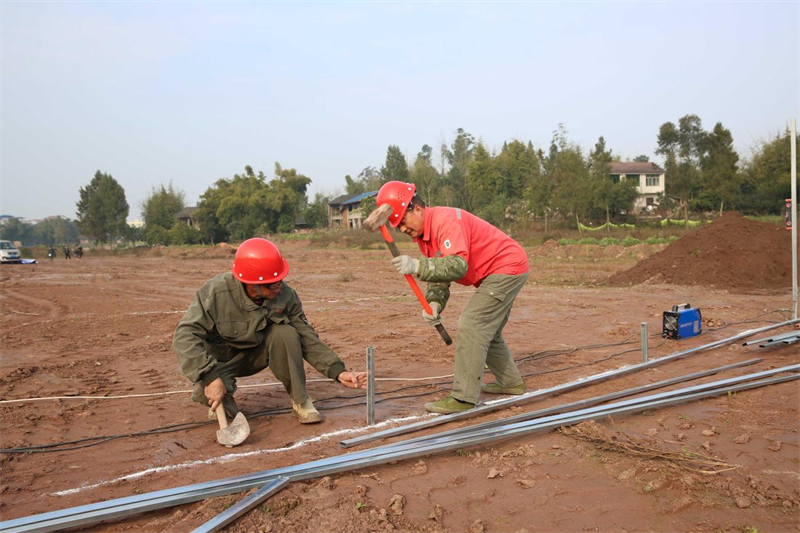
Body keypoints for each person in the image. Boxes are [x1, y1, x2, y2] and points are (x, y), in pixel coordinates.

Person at [172, 238, 366, 424]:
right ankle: (223, 400)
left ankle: (300, 401)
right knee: (205, 394)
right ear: (252, 283)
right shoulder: (215, 293)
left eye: (280, 280)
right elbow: (185, 336)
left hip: (257, 354)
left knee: (285, 333)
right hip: (222, 360)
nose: (278, 287)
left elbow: (307, 335)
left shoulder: (286, 295)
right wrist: (210, 377)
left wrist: (338, 372)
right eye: (271, 283)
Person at [376, 181, 530, 414]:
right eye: (397, 227)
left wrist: (417, 266)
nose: (403, 230)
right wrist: (435, 302)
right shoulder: (424, 238)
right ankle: (510, 382)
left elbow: (457, 265)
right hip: (496, 270)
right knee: (488, 329)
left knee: (473, 323)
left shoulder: (446, 221)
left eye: (403, 222)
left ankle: (463, 397)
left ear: (417, 209)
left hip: (506, 266)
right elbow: (440, 274)